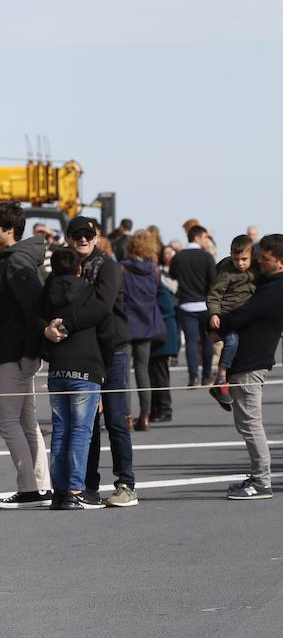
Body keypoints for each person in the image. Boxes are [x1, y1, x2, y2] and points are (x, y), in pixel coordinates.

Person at [219, 234, 283, 500]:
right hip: (253, 359)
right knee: (247, 423)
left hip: (251, 360)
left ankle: (261, 481)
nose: (259, 263)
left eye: (264, 259)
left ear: (281, 261)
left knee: (251, 424)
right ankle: (258, 477)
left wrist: (214, 324)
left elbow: (243, 315)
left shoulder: (277, 289)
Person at [68, 217, 137, 509]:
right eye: (77, 234)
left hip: (112, 348)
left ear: (96, 238)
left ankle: (126, 484)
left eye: (88, 234)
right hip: (84, 350)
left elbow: (102, 305)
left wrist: (66, 324)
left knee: (116, 418)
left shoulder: (107, 265)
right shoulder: (67, 267)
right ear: (69, 238)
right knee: (88, 422)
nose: (83, 239)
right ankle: (89, 485)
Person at [41, 247, 107, 510]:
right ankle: (76, 490)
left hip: (57, 368)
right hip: (86, 365)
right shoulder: (89, 292)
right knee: (81, 432)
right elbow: (103, 315)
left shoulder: (45, 294)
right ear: (79, 268)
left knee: (61, 430)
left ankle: (59, 491)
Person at [0, 202, 52, 507]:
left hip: (14, 352)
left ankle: (30, 489)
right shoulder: (19, 258)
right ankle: (40, 486)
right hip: (21, 352)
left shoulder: (16, 261)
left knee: (8, 421)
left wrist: (30, 353)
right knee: (25, 419)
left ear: (8, 229)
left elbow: (33, 310)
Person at [120, 229, 165, 432]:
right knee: (142, 370)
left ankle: (127, 417)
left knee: (123, 374)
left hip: (126, 323)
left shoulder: (123, 269)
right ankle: (145, 416)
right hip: (147, 323)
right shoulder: (153, 270)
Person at [206, 235, 257, 408]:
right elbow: (214, 295)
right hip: (226, 315)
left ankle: (228, 384)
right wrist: (214, 314)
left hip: (245, 317)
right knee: (232, 341)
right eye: (236, 260)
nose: (240, 263)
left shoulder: (257, 269)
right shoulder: (226, 273)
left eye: (244, 259)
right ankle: (220, 378)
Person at [169, 225, 217, 386]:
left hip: (186, 304)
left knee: (191, 341)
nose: (207, 240)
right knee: (207, 341)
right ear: (197, 237)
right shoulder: (207, 257)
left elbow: (172, 275)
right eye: (205, 237)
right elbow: (213, 281)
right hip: (204, 304)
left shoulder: (179, 257)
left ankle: (192, 377)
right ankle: (206, 375)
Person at [148, 272, 178, 424]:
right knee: (156, 375)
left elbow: (167, 310)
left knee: (159, 376)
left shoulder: (160, 291)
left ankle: (164, 410)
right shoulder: (160, 289)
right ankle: (157, 410)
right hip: (161, 336)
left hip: (161, 338)